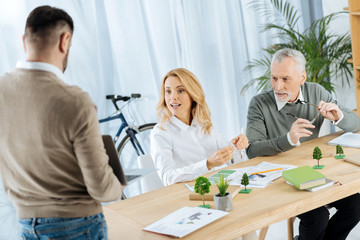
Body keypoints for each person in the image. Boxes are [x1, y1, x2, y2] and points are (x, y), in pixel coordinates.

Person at [0, 6, 122, 239]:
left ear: (24, 41)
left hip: (26, 225)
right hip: (77, 226)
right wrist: (117, 187)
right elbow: (102, 188)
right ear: (65, 41)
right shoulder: (74, 101)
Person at [246, 48, 360, 240]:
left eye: (285, 79)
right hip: (280, 179)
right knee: (318, 216)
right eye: (274, 78)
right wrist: (288, 139)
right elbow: (252, 150)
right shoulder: (259, 103)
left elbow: (355, 123)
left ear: (302, 77)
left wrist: (338, 117)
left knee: (356, 205)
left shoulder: (316, 92)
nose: (278, 86)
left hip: (313, 172)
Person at [151, 67, 256, 240]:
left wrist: (236, 148)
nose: (172, 97)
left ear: (193, 94)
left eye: (180, 90)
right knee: (234, 230)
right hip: (191, 200)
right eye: (168, 91)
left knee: (250, 223)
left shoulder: (205, 123)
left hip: (219, 191)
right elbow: (168, 177)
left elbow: (229, 162)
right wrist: (207, 164)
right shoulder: (161, 133)